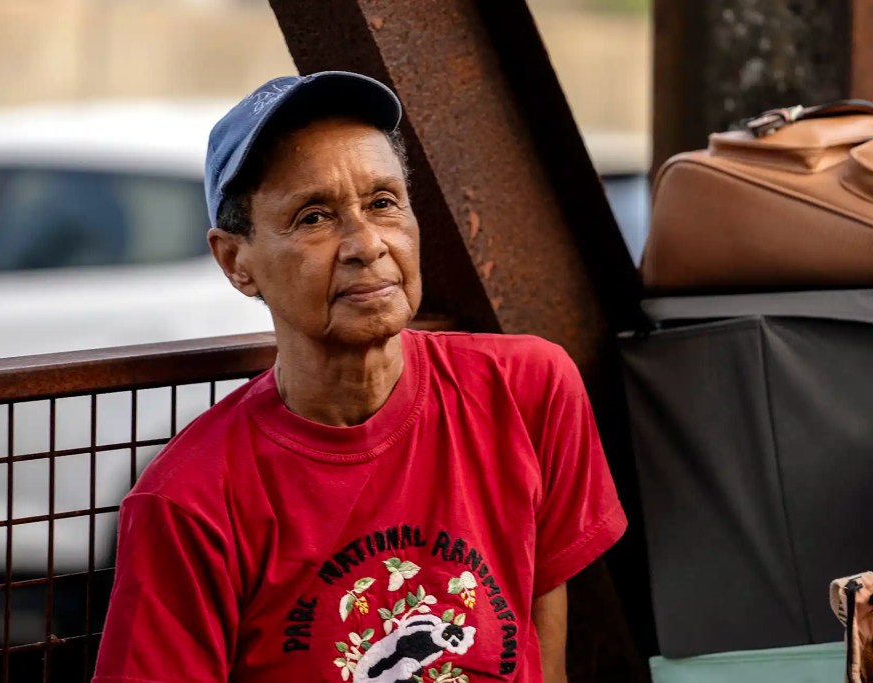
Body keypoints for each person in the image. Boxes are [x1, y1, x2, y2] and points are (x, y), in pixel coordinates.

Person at [93, 71, 627, 683]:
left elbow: (542, 642)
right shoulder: (189, 501)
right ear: (236, 262)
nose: (366, 244)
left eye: (383, 202)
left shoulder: (525, 387)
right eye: (314, 217)